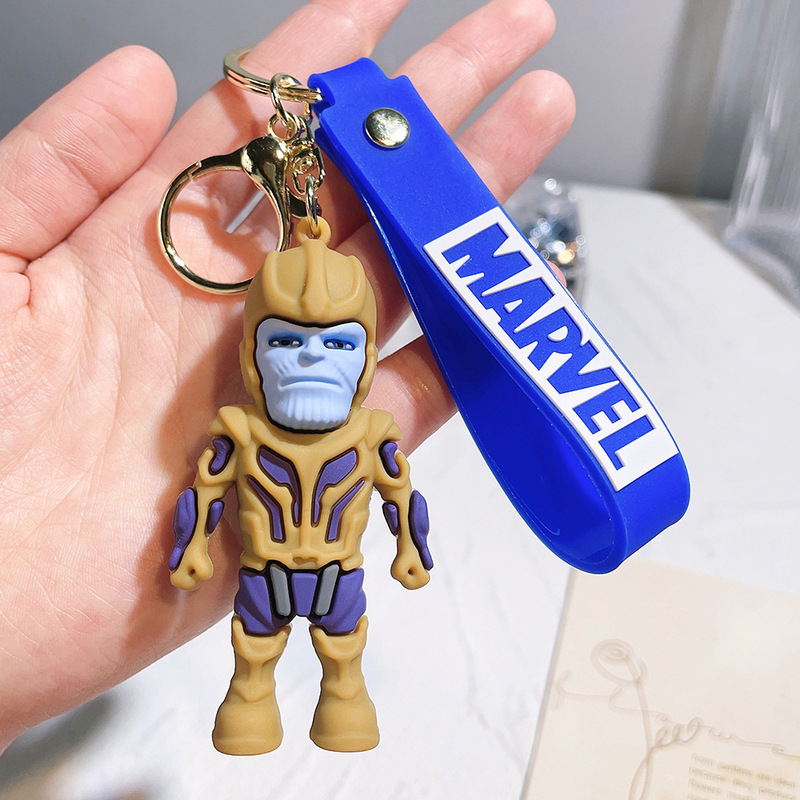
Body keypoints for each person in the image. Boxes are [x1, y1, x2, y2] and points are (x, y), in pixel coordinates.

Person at [0, 0, 574, 753]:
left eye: (334, 346)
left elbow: (403, 494)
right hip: (264, 568)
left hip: (337, 568)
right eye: (288, 342)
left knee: (344, 648)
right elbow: (203, 492)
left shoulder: (369, 432)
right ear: (252, 355)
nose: (310, 358)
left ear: (363, 361)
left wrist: (413, 550)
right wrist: (191, 551)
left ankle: (344, 698)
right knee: (255, 648)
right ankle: (250, 700)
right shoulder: (239, 429)